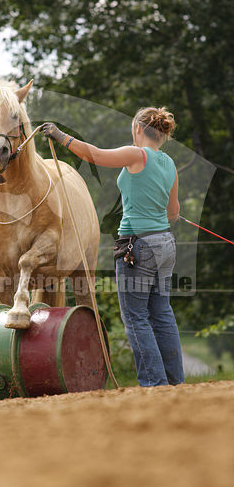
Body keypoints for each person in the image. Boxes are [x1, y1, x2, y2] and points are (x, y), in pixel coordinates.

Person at [40, 108, 185, 387]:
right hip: (165, 244)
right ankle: (174, 381)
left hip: (138, 247)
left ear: (138, 129)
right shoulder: (169, 163)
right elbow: (173, 213)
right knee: (162, 313)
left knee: (136, 317)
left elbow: (94, 155)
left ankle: (155, 384)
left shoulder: (136, 155)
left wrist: (60, 136)